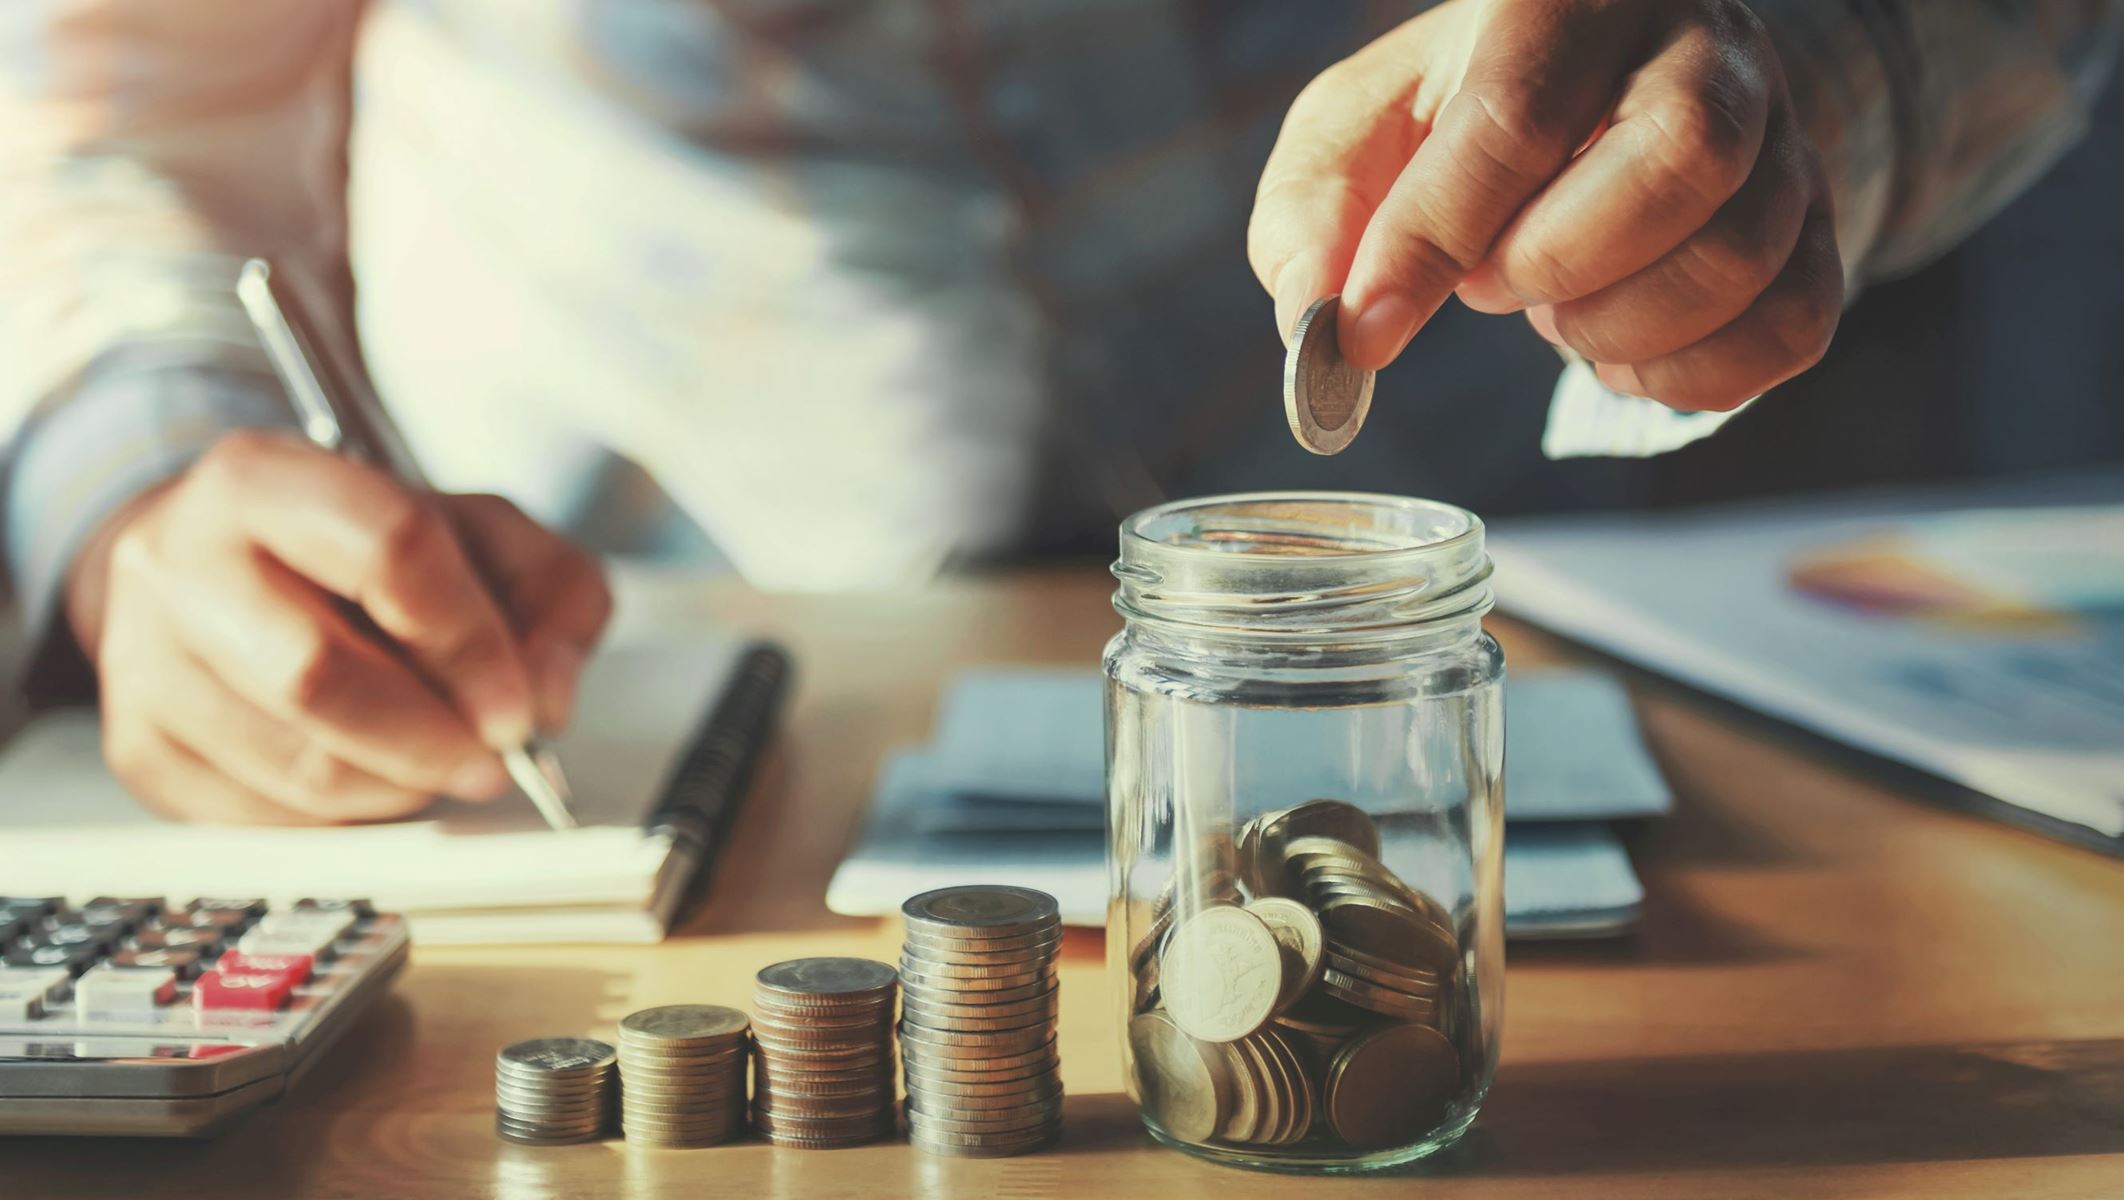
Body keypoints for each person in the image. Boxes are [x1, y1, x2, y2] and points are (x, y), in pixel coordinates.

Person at [1, 0, 2116, 825]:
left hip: (1558, 571)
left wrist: (1794, 66)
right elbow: (127, 86)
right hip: (627, 663)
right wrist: (142, 470)